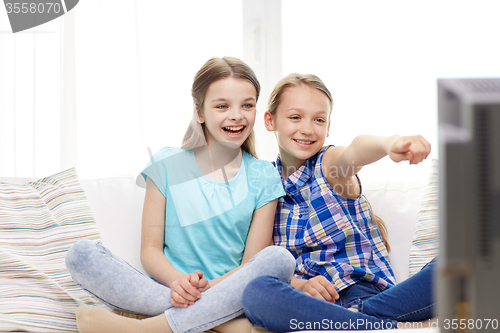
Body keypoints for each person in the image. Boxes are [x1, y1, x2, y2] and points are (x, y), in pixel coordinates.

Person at [65, 57, 296, 333]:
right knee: (80, 254)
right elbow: (150, 251)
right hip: (168, 289)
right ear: (200, 113)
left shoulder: (263, 175)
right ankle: (218, 323)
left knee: (280, 260)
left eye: (247, 105)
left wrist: (207, 291)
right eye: (222, 106)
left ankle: (149, 328)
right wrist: (179, 284)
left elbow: (251, 264)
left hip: (228, 290)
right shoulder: (167, 163)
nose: (237, 115)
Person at [241, 73, 435, 331]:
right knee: (256, 291)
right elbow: (260, 264)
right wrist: (300, 285)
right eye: (295, 117)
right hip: (310, 305)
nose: (307, 129)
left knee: (466, 260)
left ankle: (360, 319)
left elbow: (355, 151)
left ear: (328, 126)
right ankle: (370, 326)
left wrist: (389, 144)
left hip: (371, 299)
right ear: (270, 120)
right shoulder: (264, 184)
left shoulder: (329, 165)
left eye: (318, 119)